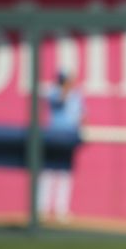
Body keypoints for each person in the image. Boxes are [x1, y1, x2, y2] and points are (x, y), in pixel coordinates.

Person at [38, 71, 84, 223]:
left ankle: (61, 210)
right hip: (54, 135)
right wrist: (65, 87)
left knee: (65, 173)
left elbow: (81, 115)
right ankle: (42, 209)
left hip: (70, 137)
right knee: (48, 172)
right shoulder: (54, 92)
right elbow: (59, 101)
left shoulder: (77, 96)